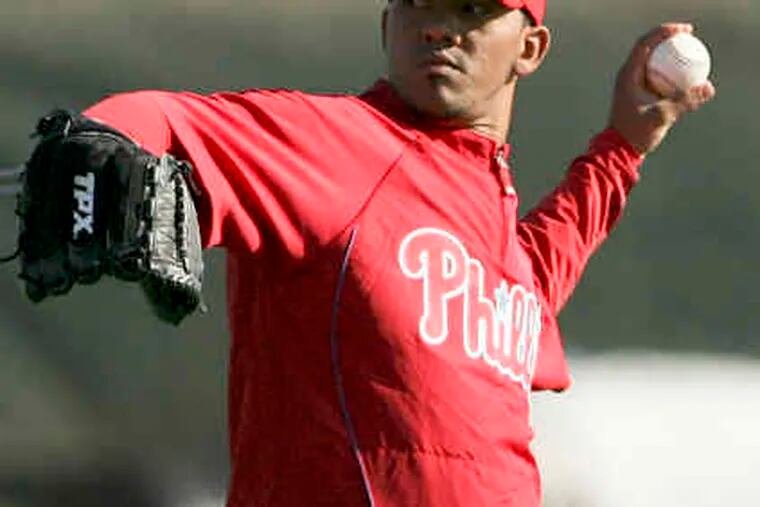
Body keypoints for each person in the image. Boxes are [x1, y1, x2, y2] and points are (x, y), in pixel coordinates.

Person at [53, 0, 716, 505]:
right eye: (418, 4)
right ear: (387, 25)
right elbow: (160, 118)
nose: (437, 28)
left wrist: (622, 148)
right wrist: (101, 146)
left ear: (530, 47)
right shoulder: (334, 146)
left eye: (471, 9)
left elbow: (530, 284)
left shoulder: (484, 202)